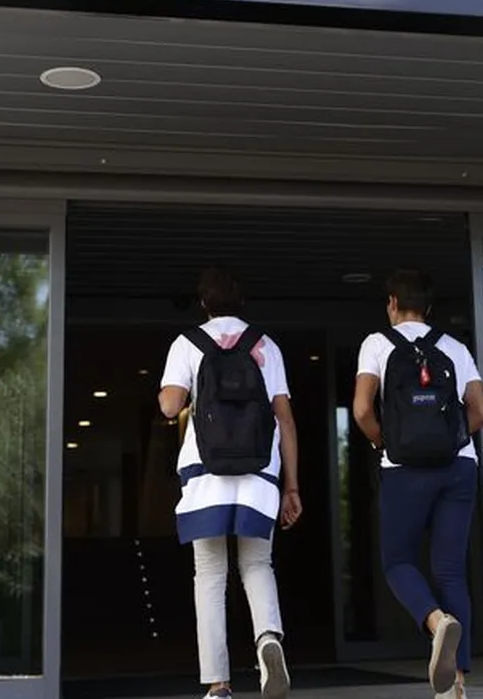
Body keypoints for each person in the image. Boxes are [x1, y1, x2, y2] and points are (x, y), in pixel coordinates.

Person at [159, 267, 301, 699]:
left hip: (206, 473)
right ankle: (268, 638)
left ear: (204, 302)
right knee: (257, 564)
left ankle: (218, 684)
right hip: (259, 471)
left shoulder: (187, 343)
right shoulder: (266, 345)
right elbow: (285, 419)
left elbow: (170, 406)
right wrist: (291, 486)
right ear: (241, 302)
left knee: (209, 573)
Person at [352, 269, 483, 699]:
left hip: (403, 469)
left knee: (398, 561)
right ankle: (456, 685)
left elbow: (361, 410)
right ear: (428, 308)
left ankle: (436, 622)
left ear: (392, 303)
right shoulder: (454, 348)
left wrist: (385, 442)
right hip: (458, 467)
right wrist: (450, 440)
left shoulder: (377, 344)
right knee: (450, 569)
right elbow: (481, 412)